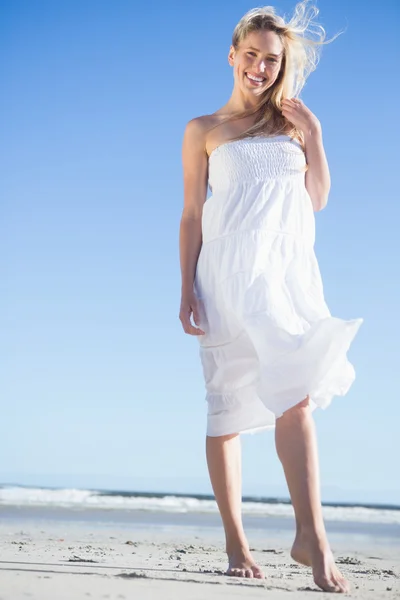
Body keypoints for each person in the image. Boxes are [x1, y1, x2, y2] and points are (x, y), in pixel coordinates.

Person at [178, 0, 362, 593]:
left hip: (283, 273)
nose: (259, 67)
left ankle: (312, 533)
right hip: (225, 273)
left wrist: (314, 133)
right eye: (251, 56)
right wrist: (185, 286)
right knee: (227, 403)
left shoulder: (292, 125)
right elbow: (189, 215)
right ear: (233, 56)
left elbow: (319, 197)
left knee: (296, 394)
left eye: (271, 60)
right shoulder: (204, 130)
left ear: (282, 66)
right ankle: (236, 539)